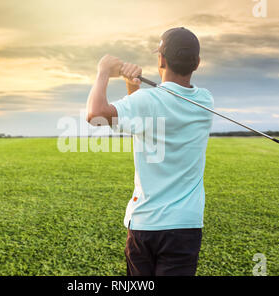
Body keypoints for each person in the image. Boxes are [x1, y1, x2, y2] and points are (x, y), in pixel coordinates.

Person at [86, 27, 214, 276]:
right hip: (185, 224)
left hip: (145, 223)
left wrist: (103, 71)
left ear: (161, 60)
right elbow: (147, 122)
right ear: (197, 63)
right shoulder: (206, 101)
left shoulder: (146, 102)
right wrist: (132, 88)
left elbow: (95, 115)